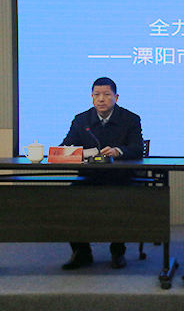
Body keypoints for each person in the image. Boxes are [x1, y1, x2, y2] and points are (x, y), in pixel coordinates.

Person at [60, 77, 144, 270]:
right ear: (92, 97)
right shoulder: (81, 120)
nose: (101, 99)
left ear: (116, 97)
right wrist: (76, 152)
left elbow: (138, 148)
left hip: (121, 177)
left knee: (120, 200)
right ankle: (81, 252)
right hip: (90, 176)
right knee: (68, 198)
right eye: (96, 95)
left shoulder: (130, 119)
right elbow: (66, 146)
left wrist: (118, 151)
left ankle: (118, 251)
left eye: (106, 94)